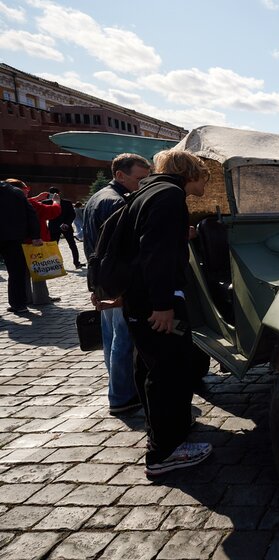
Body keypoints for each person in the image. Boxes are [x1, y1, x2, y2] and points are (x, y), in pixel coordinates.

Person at [123, 149, 212, 476]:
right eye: (204, 177)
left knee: (151, 367)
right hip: (156, 305)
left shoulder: (149, 190)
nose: (205, 184)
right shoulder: (170, 196)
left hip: (140, 300)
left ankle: (163, 433)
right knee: (170, 370)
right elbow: (156, 254)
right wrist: (163, 305)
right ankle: (165, 452)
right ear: (191, 173)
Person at [83, 153, 152, 415]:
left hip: (103, 278)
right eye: (140, 179)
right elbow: (122, 250)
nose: (143, 184)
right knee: (124, 339)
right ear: (120, 175)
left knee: (112, 337)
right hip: (116, 281)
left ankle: (119, 390)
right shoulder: (118, 202)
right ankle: (122, 395)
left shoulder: (97, 197)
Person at [7, 179, 62, 306]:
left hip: (17, 242)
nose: (27, 192)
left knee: (23, 273)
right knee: (39, 271)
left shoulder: (9, 203)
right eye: (26, 189)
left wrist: (36, 198)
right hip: (34, 242)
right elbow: (52, 212)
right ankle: (41, 298)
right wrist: (56, 202)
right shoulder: (30, 204)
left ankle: (26, 298)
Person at [0, 180, 41, 314]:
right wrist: (35, 235)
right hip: (14, 238)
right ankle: (19, 304)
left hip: (13, 236)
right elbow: (31, 214)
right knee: (16, 272)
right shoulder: (16, 192)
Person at [47, 187, 83, 269]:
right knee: (56, 246)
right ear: (59, 193)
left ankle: (75, 263)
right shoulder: (48, 203)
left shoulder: (66, 203)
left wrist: (67, 223)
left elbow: (72, 214)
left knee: (70, 245)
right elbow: (72, 215)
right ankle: (76, 263)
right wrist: (67, 223)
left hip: (60, 227)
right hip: (58, 227)